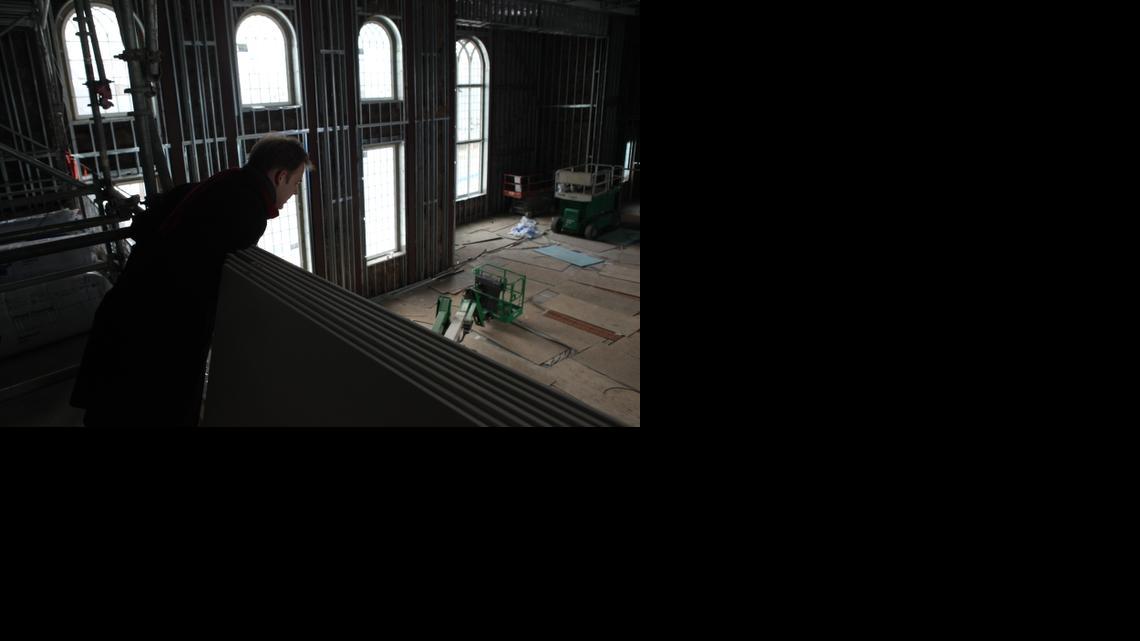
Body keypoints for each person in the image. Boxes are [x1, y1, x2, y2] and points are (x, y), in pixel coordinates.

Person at [71, 135, 312, 426]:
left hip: (125, 311)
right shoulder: (249, 212)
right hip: (159, 340)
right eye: (297, 182)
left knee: (108, 412)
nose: (295, 192)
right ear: (280, 176)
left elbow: (146, 225)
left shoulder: (214, 184)